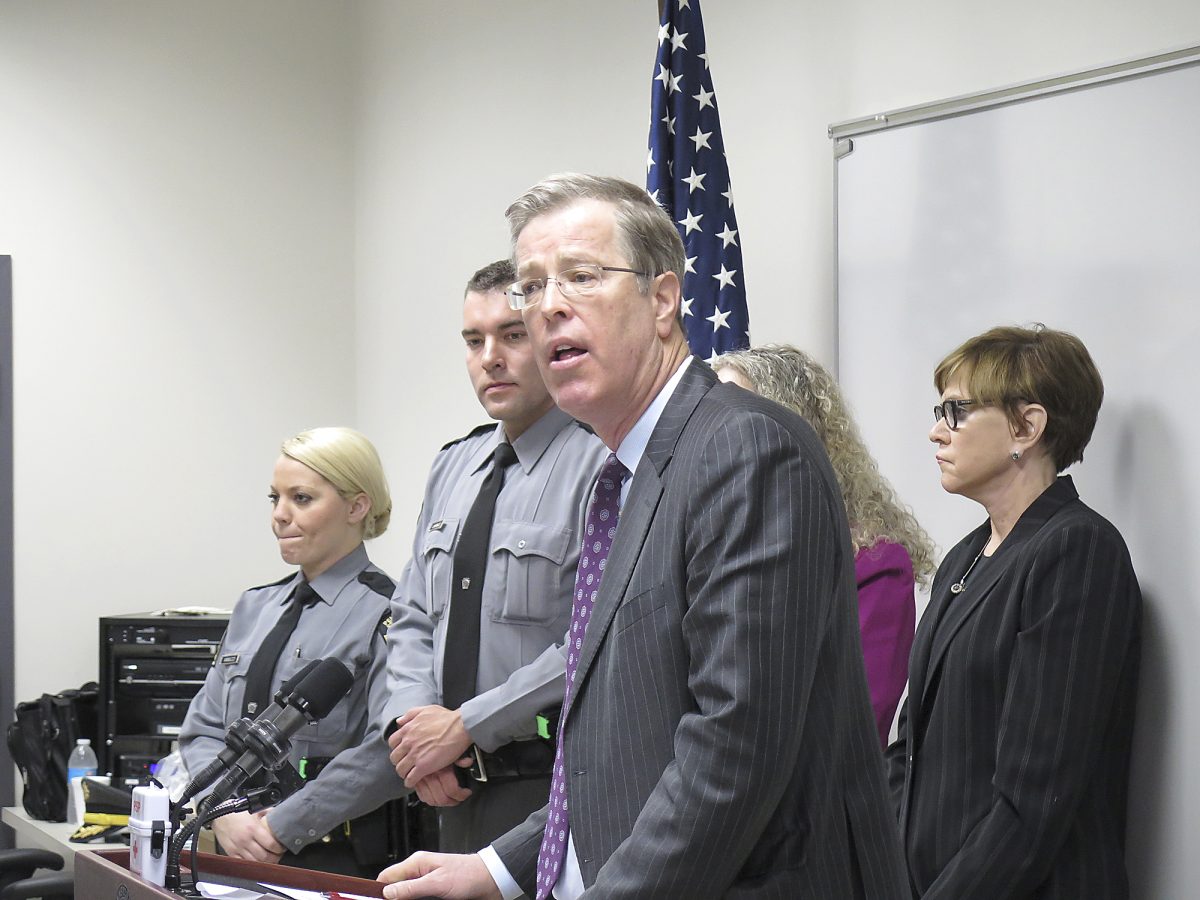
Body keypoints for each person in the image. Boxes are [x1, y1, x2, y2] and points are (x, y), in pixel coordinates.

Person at [378, 174, 907, 899]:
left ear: (662, 300)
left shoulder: (743, 449)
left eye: (582, 276)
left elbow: (732, 747)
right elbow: (620, 752)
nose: (549, 305)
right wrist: (498, 870)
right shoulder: (625, 475)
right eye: (532, 287)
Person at [888, 325, 1142, 898]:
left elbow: (1034, 799)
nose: (936, 431)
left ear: (1026, 427)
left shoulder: (1078, 551)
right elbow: (911, 750)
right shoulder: (964, 556)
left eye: (956, 412)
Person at [382, 260, 608, 853]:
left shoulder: (601, 465)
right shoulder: (453, 465)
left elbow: (595, 637)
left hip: (550, 787)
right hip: (446, 788)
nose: (490, 358)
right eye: (473, 340)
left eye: (512, 335)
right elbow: (411, 617)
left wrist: (466, 726)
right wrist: (413, 731)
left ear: (550, 340)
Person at [179, 427, 404, 879]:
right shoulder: (254, 607)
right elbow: (202, 728)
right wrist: (220, 810)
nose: (280, 516)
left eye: (301, 498)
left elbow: (388, 752)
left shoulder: (390, 612)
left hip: (329, 859)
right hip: (231, 849)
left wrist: (282, 827)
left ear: (357, 507)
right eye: (275, 498)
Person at [714, 344, 935, 745]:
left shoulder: (874, 563)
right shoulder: (708, 546)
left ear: (790, 429)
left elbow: (855, 721)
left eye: (733, 416)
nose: (713, 435)